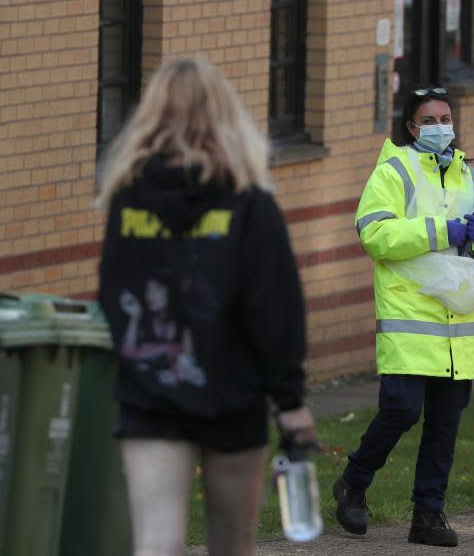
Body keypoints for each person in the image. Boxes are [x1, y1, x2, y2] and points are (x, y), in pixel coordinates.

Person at [96, 57, 316, 556]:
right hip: (232, 394)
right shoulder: (250, 204)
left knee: (156, 542)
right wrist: (290, 400)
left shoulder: (127, 200)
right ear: (225, 114)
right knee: (232, 544)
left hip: (150, 393)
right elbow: (275, 309)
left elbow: (112, 295)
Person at [333, 86, 474, 547]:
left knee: (445, 422)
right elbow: (374, 233)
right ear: (411, 127)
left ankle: (428, 516)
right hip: (409, 316)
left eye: (445, 118)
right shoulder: (393, 171)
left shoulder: (473, 178)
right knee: (401, 409)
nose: (439, 127)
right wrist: (444, 230)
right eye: (428, 121)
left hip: (457, 324)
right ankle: (354, 482)